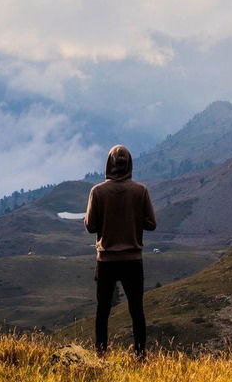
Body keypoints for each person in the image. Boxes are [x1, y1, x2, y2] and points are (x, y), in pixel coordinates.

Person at [84, 144, 156, 359]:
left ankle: (101, 353)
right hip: (133, 259)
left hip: (106, 260)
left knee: (102, 310)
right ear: (129, 164)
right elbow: (151, 223)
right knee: (137, 310)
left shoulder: (97, 192)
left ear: (109, 164)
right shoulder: (140, 191)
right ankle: (140, 355)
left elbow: (90, 226)